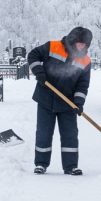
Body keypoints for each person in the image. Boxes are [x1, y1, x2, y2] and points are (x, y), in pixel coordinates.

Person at [28, 27, 93, 175]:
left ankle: (71, 166)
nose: (81, 46)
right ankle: (41, 164)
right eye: (79, 43)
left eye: (85, 44)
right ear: (72, 40)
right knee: (44, 133)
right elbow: (33, 55)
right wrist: (39, 71)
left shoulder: (85, 61)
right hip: (46, 98)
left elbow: (82, 85)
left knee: (70, 134)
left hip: (67, 103)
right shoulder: (53, 46)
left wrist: (78, 103)